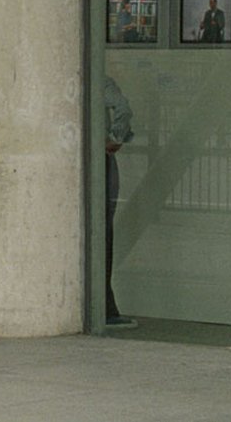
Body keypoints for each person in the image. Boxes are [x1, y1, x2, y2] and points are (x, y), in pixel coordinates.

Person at [104, 74, 136, 330]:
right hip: (99, 159)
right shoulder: (100, 81)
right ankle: (105, 307)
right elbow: (123, 108)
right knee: (103, 233)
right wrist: (115, 138)